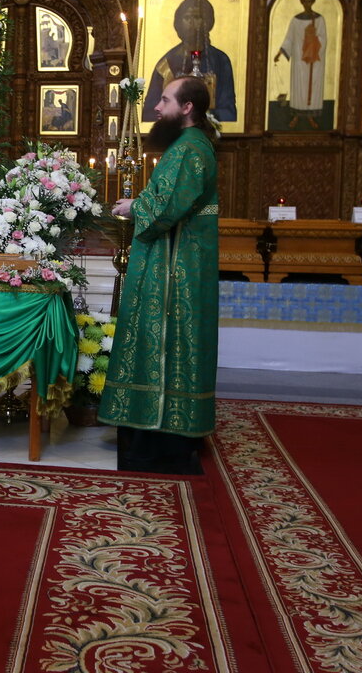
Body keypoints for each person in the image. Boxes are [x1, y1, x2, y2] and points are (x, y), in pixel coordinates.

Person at [99, 75, 220, 475]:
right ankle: (158, 430)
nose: (157, 107)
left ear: (187, 108)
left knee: (167, 340)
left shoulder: (189, 149)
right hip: (178, 258)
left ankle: (160, 435)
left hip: (176, 268)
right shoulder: (190, 145)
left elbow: (166, 206)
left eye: (165, 100)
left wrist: (134, 207)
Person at [142, 0, 236, 123]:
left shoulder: (220, 60)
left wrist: (196, 117)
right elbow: (149, 112)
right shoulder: (166, 63)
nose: (191, 23)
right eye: (187, 17)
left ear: (207, 22)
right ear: (179, 23)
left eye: (197, 17)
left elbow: (228, 111)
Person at [273, 0, 327, 129]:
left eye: (310, 1)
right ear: (302, 3)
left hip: (314, 60)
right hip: (298, 59)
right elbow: (289, 38)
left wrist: (313, 40)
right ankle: (296, 115)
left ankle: (311, 116)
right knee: (299, 86)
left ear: (313, 2)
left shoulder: (319, 19)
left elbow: (323, 38)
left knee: (312, 86)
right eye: (305, 1)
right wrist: (280, 53)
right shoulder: (296, 19)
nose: (307, 4)